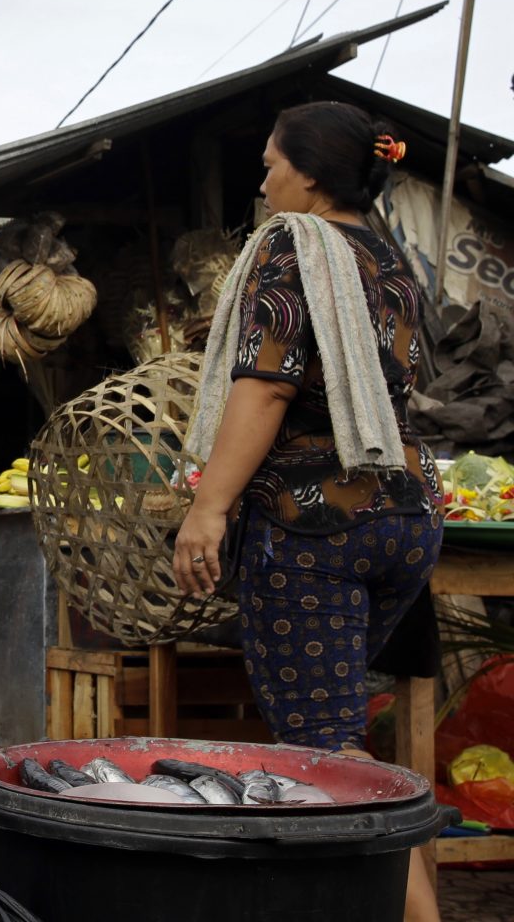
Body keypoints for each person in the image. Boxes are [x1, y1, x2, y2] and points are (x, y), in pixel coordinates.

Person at [175, 102, 442, 922]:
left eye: (269, 166)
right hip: (406, 513)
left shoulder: (294, 245)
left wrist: (208, 508)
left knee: (328, 751)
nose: (262, 184)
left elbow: (268, 381)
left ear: (312, 175)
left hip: (313, 521)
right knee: (336, 731)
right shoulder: (392, 259)